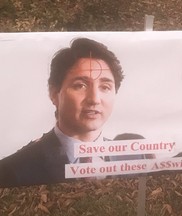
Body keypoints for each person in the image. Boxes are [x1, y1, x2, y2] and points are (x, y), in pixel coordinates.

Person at [0, 38, 125, 187]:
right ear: (54, 94)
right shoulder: (13, 170)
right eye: (80, 85)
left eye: (105, 87)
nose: (94, 99)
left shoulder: (133, 160)